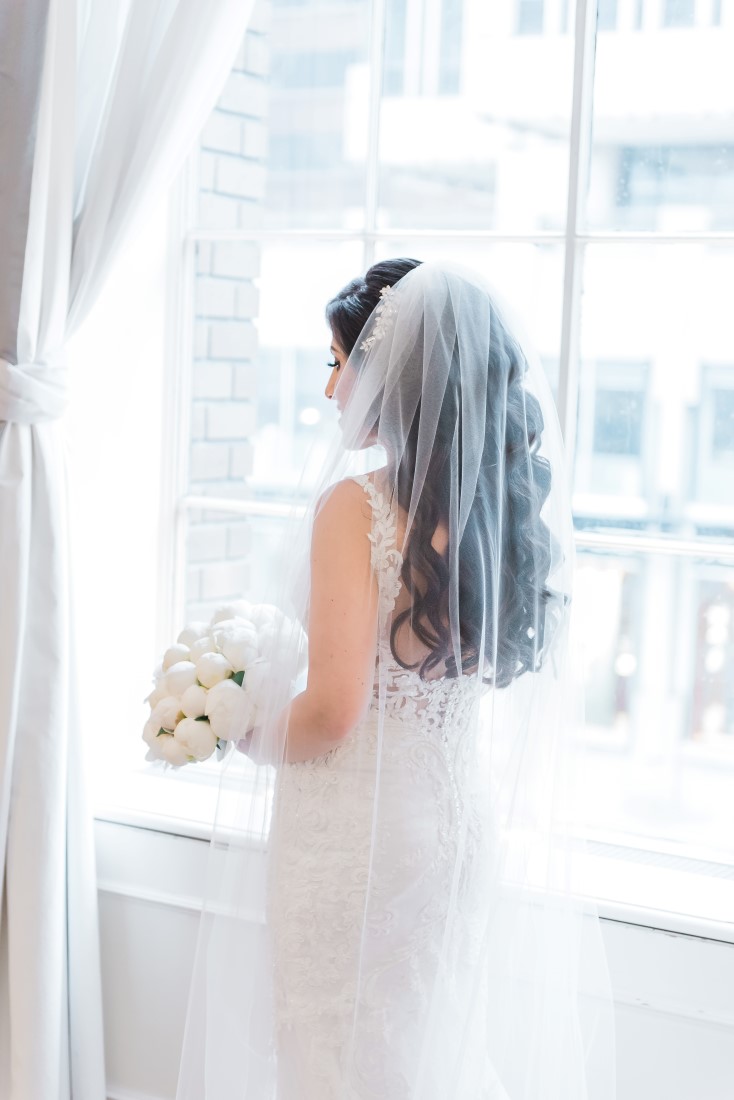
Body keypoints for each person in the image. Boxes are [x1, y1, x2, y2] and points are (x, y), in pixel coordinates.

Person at [176, 259, 617, 1099]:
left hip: (358, 838)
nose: (333, 388)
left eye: (342, 361)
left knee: (336, 1061)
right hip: (451, 831)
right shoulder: (490, 511)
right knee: (422, 1058)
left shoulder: (357, 508)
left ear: (395, 377)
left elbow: (336, 711)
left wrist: (244, 731)